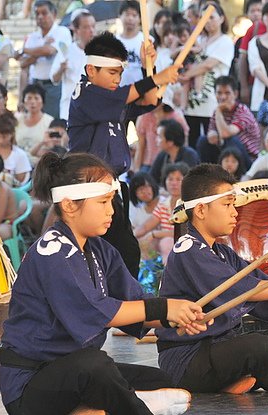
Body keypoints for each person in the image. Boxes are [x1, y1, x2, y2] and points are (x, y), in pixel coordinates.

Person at [0, 151, 207, 415]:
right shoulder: (52, 250)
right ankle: (134, 404)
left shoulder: (100, 249)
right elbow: (102, 312)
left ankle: (94, 405)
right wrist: (167, 306)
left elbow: (135, 303)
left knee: (158, 378)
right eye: (104, 202)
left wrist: (177, 317)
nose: (112, 210)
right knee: (96, 367)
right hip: (29, 386)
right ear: (70, 205)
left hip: (70, 373)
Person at [156, 163, 268, 393]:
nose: (235, 212)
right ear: (201, 211)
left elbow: (258, 279)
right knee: (258, 347)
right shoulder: (188, 249)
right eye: (227, 204)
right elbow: (243, 289)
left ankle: (235, 381)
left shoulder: (221, 252)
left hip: (217, 348)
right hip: (187, 359)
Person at [67, 31, 180, 278]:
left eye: (119, 73)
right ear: (91, 70)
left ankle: (125, 308)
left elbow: (150, 98)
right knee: (97, 257)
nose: (117, 79)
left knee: (126, 253)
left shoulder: (115, 99)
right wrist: (159, 77)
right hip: (87, 189)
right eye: (111, 73)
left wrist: (147, 65)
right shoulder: (84, 94)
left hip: (111, 189)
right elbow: (130, 93)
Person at [182, 3, 235, 149]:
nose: (208, 21)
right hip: (192, 103)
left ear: (222, 18)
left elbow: (208, 65)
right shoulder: (198, 41)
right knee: (192, 143)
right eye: (204, 18)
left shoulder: (225, 41)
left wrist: (186, 75)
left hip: (212, 101)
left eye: (211, 17)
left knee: (210, 146)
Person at [17, 1, 72, 119]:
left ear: (54, 14)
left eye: (44, 13)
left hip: (54, 86)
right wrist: (41, 49)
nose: (40, 17)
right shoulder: (32, 37)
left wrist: (26, 50)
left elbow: (50, 51)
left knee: (53, 124)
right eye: (37, 13)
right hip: (34, 85)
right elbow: (23, 64)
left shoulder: (62, 31)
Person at [196, 75, 260, 167]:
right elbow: (211, 131)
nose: (223, 97)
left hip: (247, 159)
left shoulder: (242, 111)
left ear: (235, 94)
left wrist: (218, 111)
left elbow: (225, 133)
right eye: (219, 93)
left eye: (227, 93)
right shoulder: (217, 111)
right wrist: (212, 134)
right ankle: (207, 174)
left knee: (231, 140)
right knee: (203, 140)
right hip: (225, 154)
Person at [135, 163, 189, 265]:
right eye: (170, 179)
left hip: (187, 246)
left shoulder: (189, 204)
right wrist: (132, 236)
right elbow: (146, 226)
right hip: (167, 248)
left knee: (166, 242)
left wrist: (155, 234)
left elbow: (183, 233)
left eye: (178, 179)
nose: (174, 183)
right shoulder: (164, 204)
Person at [50, 9, 96, 121]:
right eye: (86, 27)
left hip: (93, 111)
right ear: (76, 30)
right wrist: (61, 68)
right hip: (69, 111)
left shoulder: (101, 52)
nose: (91, 30)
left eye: (93, 26)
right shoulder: (67, 51)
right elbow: (54, 78)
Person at [129, 172, 162, 295]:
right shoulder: (137, 212)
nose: (145, 191)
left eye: (147, 186)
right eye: (140, 189)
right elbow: (138, 230)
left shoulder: (164, 203)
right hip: (144, 255)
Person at [150, 119, 199, 185]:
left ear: (170, 142)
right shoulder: (162, 155)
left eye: (159, 137)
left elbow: (190, 183)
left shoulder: (190, 155)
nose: (156, 140)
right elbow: (151, 179)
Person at [15, 84, 54, 158]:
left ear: (43, 102)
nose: (32, 102)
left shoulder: (50, 122)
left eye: (36, 98)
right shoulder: (17, 120)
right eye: (29, 98)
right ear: (23, 101)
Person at [116, 1, 145, 87]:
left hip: (141, 91)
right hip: (119, 91)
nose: (130, 18)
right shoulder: (114, 42)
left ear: (140, 18)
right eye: (127, 14)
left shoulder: (147, 40)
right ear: (120, 16)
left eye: (134, 15)